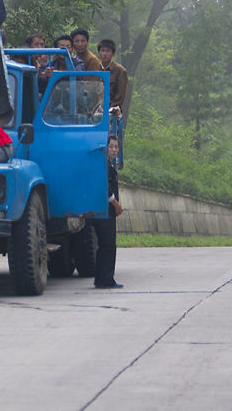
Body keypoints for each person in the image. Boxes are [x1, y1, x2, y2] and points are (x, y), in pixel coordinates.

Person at [94, 135, 123, 289]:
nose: (114, 150)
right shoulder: (104, 166)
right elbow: (106, 190)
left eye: (116, 147)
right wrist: (117, 205)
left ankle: (100, 279)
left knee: (104, 245)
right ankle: (106, 280)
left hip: (105, 211)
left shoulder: (107, 165)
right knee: (108, 245)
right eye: (111, 146)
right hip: (105, 211)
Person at [97, 39, 129, 116]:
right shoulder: (95, 68)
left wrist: (111, 107)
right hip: (95, 108)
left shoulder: (120, 71)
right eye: (102, 50)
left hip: (112, 111)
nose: (105, 54)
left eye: (108, 51)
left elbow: (120, 95)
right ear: (99, 52)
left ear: (113, 53)